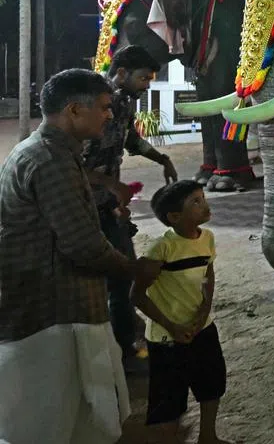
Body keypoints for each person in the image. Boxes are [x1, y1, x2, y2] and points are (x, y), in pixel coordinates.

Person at [0, 70, 133, 444]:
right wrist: (133, 269)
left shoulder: (53, 152)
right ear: (75, 110)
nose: (110, 115)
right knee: (50, 421)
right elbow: (82, 244)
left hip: (52, 306)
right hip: (52, 313)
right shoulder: (49, 160)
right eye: (105, 108)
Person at [84, 45, 179, 370]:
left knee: (125, 273)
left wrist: (162, 158)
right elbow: (69, 163)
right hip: (80, 209)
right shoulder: (93, 103)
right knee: (111, 277)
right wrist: (111, 185)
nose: (146, 85)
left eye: (150, 80)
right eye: (142, 78)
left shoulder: (121, 105)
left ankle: (124, 338)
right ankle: (121, 349)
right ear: (121, 73)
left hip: (108, 207)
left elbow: (130, 140)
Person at [132, 181, 231, 444]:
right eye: (195, 202)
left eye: (203, 198)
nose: (205, 205)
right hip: (168, 338)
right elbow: (137, 295)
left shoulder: (207, 238)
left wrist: (204, 312)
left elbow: (208, 274)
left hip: (202, 328)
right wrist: (172, 327)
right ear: (174, 217)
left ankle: (208, 437)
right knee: (170, 400)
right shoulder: (161, 249)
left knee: (211, 385)